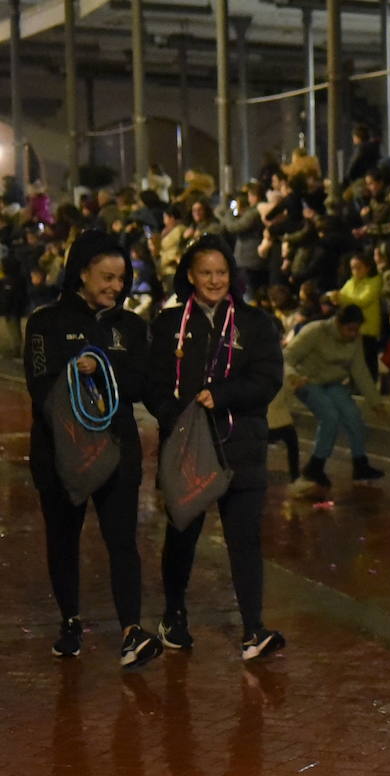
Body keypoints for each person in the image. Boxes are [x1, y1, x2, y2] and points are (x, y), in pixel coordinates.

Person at [24, 231, 162, 668]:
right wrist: (75, 372)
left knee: (123, 540)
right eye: (106, 277)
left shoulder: (131, 327)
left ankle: (131, 632)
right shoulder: (45, 322)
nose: (115, 287)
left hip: (118, 451)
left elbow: (141, 385)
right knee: (63, 538)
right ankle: (70, 621)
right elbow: (39, 384)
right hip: (61, 455)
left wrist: (102, 367)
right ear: (80, 273)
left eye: (122, 279)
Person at [148, 236, 286, 661]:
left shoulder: (255, 323)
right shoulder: (170, 323)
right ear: (190, 275)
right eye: (205, 272)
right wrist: (175, 414)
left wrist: (222, 395)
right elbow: (152, 383)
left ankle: (253, 629)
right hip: (189, 448)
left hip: (241, 446)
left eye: (221, 272)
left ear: (232, 275)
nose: (213, 280)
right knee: (182, 534)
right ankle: (173, 615)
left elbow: (268, 380)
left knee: (244, 540)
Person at [287, 304, 386, 489]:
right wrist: (294, 377)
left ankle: (360, 463)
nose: (353, 334)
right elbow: (288, 356)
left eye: (356, 330)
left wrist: (375, 401)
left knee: (353, 415)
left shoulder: (355, 339)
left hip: (332, 382)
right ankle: (316, 466)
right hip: (307, 380)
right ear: (339, 324)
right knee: (329, 416)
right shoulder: (315, 331)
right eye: (350, 329)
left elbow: (360, 369)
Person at [333, 253, 384, 380]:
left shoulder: (375, 281)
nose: (355, 271)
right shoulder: (351, 282)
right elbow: (343, 297)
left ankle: (370, 383)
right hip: (352, 327)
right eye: (353, 268)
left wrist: (341, 298)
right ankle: (354, 382)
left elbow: (363, 300)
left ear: (368, 268)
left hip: (367, 326)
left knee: (368, 358)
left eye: (359, 267)